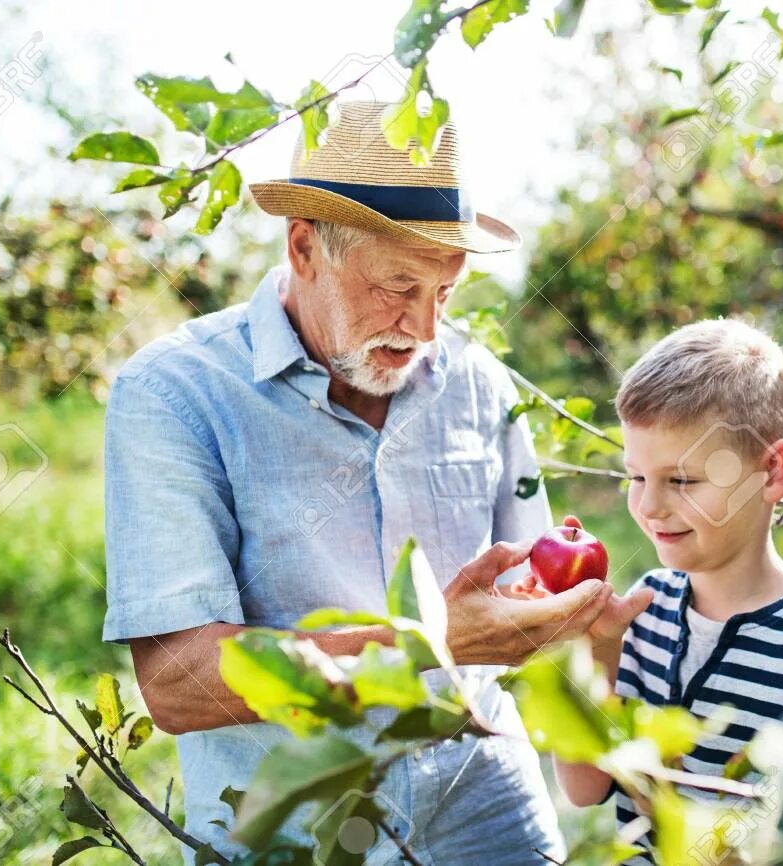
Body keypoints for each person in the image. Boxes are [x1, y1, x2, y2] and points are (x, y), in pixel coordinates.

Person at [102, 100, 636, 864]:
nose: (423, 329)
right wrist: (423, 645)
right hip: (298, 828)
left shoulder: (480, 385)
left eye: (444, 294)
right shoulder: (176, 394)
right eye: (397, 286)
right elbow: (179, 682)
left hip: (485, 802)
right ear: (304, 246)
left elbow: (534, 594)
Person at [515, 318, 783, 861]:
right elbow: (585, 789)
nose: (650, 506)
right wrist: (592, 649)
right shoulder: (646, 607)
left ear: (772, 471)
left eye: (681, 480)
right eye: (636, 477)